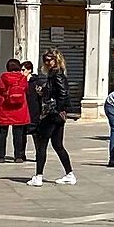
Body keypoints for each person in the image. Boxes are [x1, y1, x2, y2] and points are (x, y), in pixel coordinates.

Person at [25, 49, 76, 185]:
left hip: (52, 114)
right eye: (45, 60)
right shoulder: (56, 74)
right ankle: (69, 174)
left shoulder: (56, 75)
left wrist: (59, 109)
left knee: (42, 144)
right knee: (57, 144)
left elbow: (63, 94)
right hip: (57, 114)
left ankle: (38, 176)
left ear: (56, 60)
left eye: (50, 59)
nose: (47, 62)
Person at [0, 57, 31, 166]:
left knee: (3, 133)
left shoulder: (3, 77)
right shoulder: (22, 78)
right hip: (19, 108)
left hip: (5, 107)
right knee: (18, 133)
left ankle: (1, 156)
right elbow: (26, 90)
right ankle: (18, 156)